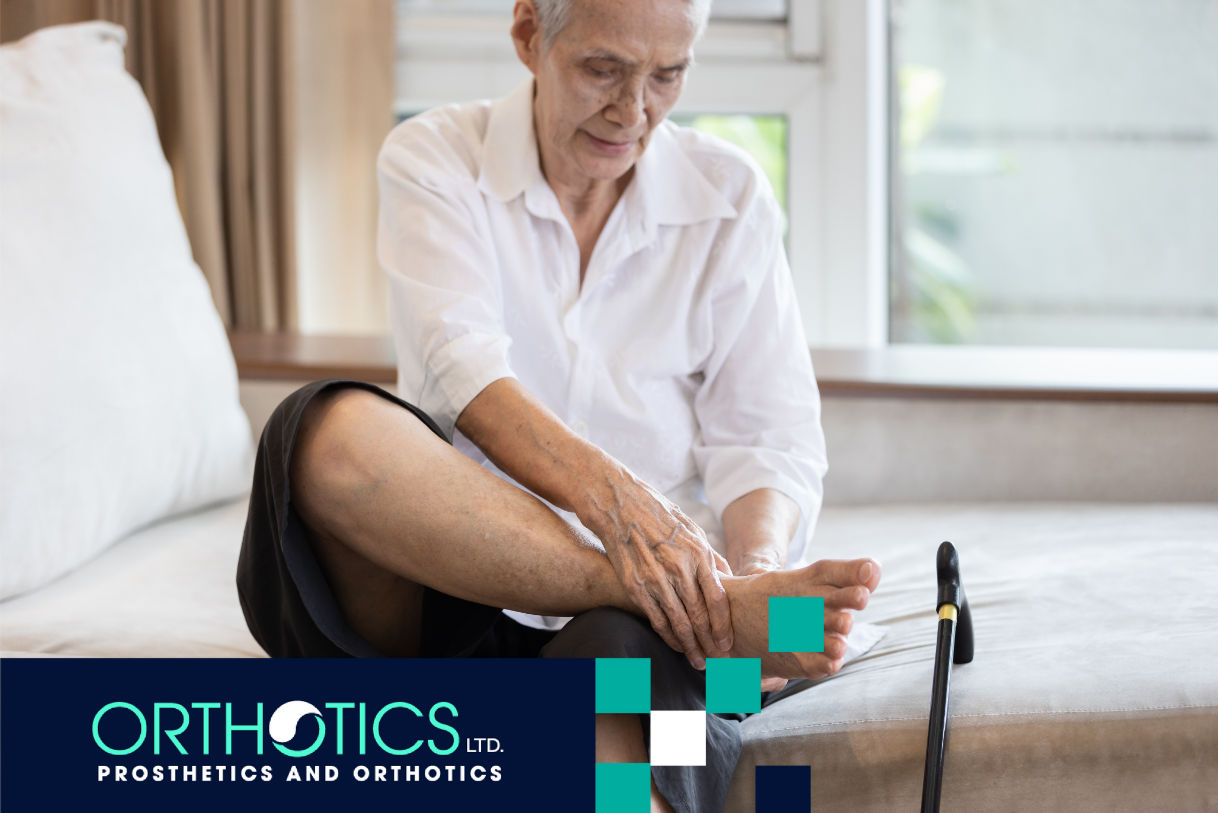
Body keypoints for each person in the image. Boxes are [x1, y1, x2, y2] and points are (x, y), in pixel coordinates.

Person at [237, 0, 882, 810]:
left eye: (667, 76)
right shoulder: (436, 157)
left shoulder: (730, 199)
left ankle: (706, 616)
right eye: (603, 70)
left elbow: (768, 436)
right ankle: (709, 611)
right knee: (322, 429)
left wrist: (754, 568)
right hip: (442, 598)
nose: (632, 110)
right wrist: (634, 529)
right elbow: (466, 379)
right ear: (529, 36)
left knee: (619, 667)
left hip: (629, 642)